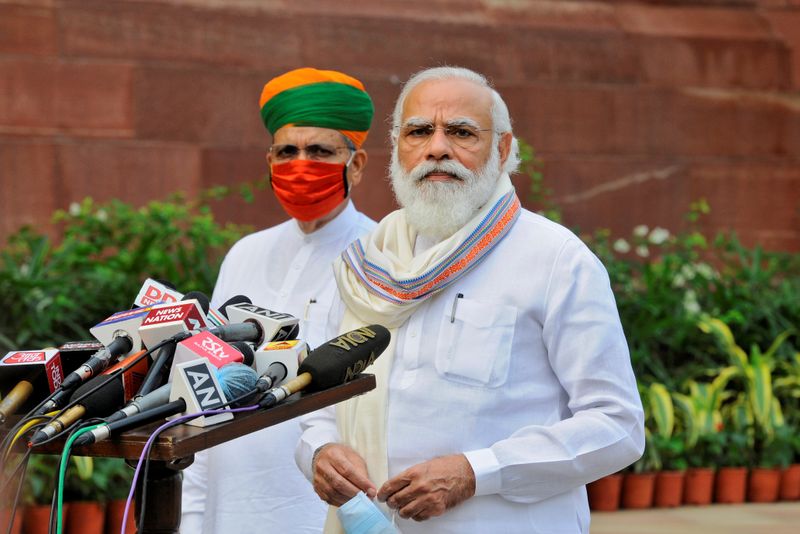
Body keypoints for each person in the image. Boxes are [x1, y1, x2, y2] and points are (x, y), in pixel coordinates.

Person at [296, 66, 645, 533]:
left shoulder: (555, 259)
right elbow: (318, 400)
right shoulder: (365, 264)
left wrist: (477, 472)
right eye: (419, 131)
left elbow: (617, 426)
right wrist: (319, 451)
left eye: (461, 132)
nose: (437, 148)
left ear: (502, 149)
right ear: (398, 147)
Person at [180, 68, 377, 534]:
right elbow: (205, 389)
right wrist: (189, 514)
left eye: (320, 151)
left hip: (322, 509)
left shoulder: (381, 257)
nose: (301, 163)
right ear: (269, 160)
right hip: (227, 504)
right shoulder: (245, 253)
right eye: (287, 151)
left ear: (357, 164)